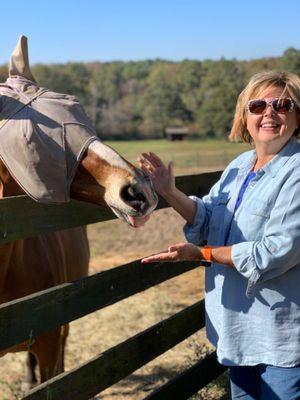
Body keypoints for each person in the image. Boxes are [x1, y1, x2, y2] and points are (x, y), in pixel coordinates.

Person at [138, 71, 300, 400]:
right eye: (257, 105)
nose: (268, 113)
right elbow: (211, 215)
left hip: (281, 338)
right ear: (245, 116)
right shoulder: (240, 165)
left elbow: (274, 252)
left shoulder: (296, 171)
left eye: (281, 104)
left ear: (297, 115)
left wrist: (202, 255)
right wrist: (170, 192)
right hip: (238, 330)